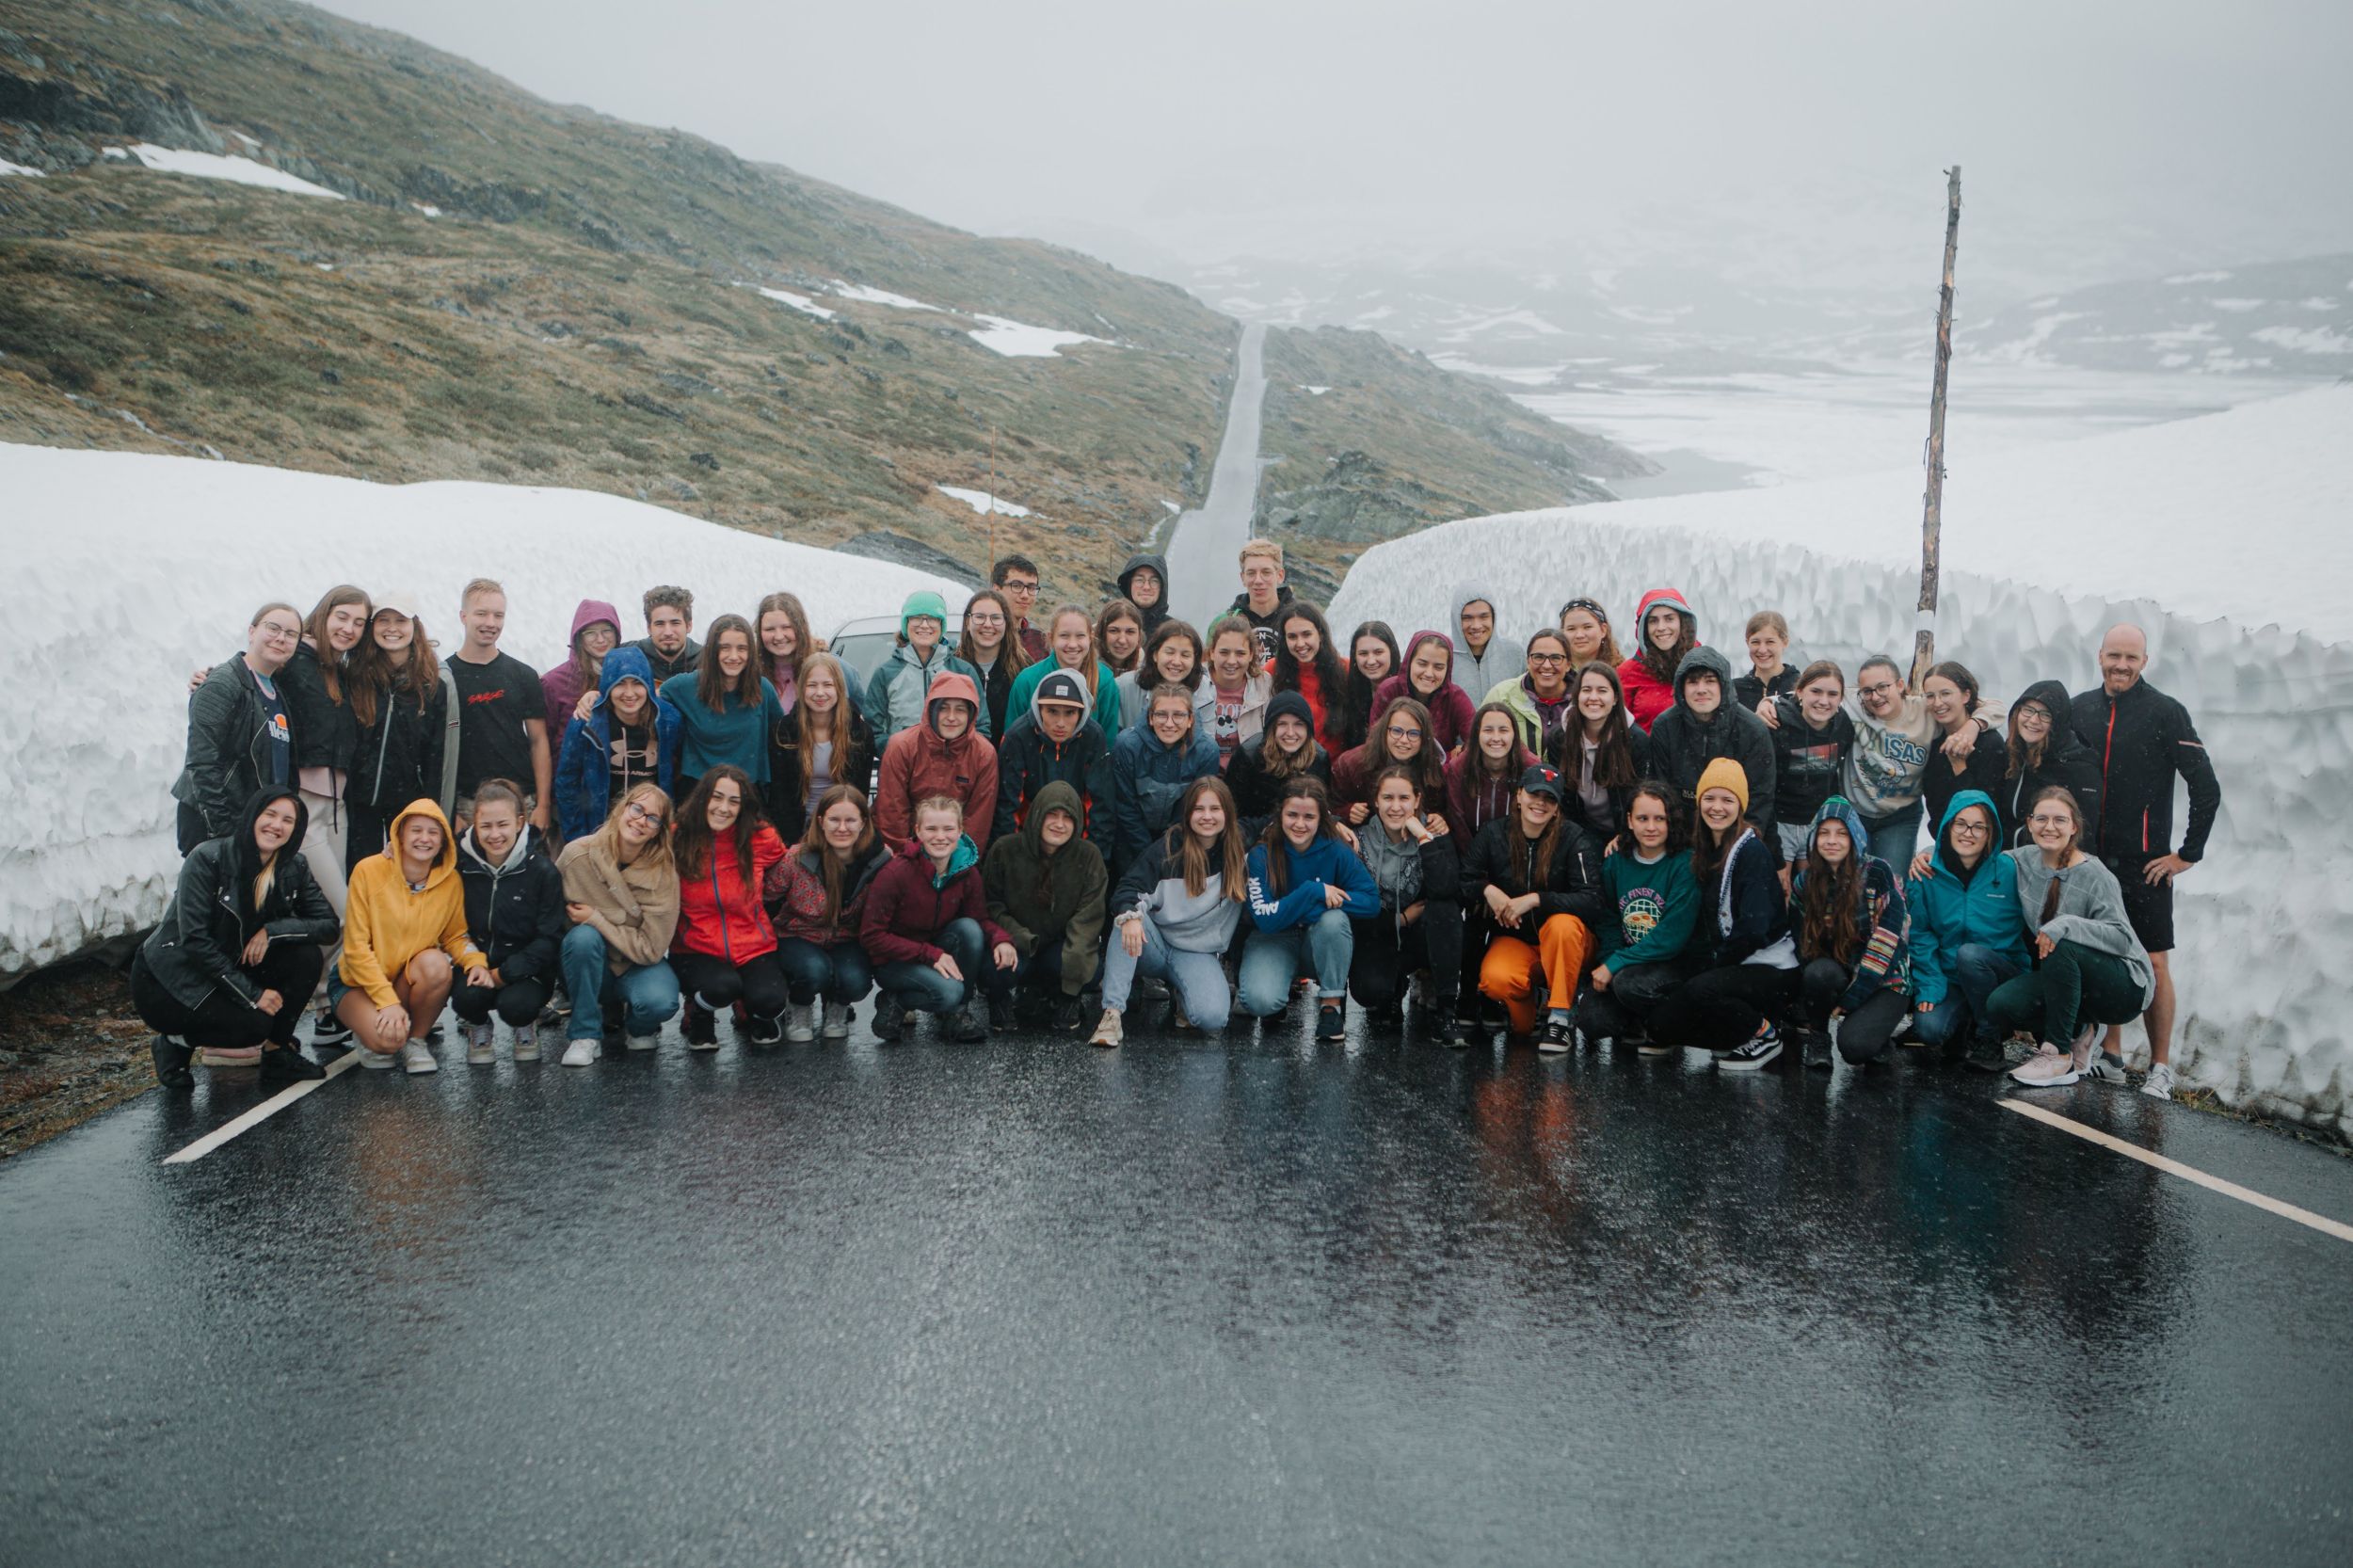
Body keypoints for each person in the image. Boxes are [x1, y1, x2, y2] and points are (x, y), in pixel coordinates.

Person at [2070, 625, 2217, 1100]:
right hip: (2092, 858)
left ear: (2145, 661)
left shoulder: (2165, 712)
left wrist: (2187, 854)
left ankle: (2160, 1067)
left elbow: (2205, 786)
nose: (2122, 665)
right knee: (2105, 953)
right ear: (2100, 656)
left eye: (2131, 657)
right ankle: (2111, 1055)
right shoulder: (2080, 709)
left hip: (2145, 861)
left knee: (2153, 960)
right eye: (2114, 655)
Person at [135, 787, 337, 1087]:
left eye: (287, 820)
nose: (276, 825)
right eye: (270, 815)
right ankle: (174, 1043)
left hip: (229, 964)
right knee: (253, 1027)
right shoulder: (208, 858)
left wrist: (271, 931)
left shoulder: (293, 866)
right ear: (252, 816)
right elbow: (196, 942)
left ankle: (277, 1053)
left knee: (305, 956)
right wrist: (253, 994)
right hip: (171, 979)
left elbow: (328, 925)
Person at [1994, 786, 2157, 1090]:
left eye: (2060, 820)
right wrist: (1927, 856)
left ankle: (2058, 1055)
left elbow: (2122, 939)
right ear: (2029, 823)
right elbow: (1977, 855)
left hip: (2124, 987)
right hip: (2075, 982)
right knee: (2002, 1004)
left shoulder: (2095, 874)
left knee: (2061, 944)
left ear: (2074, 827)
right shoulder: (2022, 860)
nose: (2050, 827)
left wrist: (2066, 925)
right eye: (2041, 819)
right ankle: (2081, 1030)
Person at [1646, 759, 1801, 1070]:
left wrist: (1714, 968)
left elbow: (1754, 929)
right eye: (1710, 798)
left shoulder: (1751, 851)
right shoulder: (1706, 848)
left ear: (1740, 806)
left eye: (1727, 800)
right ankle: (1734, 1035)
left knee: (1699, 990)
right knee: (1660, 1026)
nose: (1717, 807)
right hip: (1735, 964)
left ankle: (1764, 1034)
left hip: (1771, 968)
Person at [1090, 776, 1251, 1045]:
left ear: (1228, 813)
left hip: (1197, 953)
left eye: (1215, 809)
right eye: (1199, 809)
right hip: (1154, 944)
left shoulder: (1241, 845)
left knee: (1212, 1018)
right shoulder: (1168, 848)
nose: (1207, 816)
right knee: (1128, 918)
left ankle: (1182, 992)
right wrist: (1131, 915)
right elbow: (1128, 889)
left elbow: (1281, 821)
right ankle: (1112, 1014)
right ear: (1187, 814)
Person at [335, 797, 488, 1075]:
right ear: (400, 836)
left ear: (443, 841)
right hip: (357, 982)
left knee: (436, 965)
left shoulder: (451, 881)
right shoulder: (368, 870)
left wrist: (475, 961)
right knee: (386, 1042)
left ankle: (416, 1040)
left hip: (405, 977)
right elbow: (356, 948)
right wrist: (387, 1001)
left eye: (433, 832)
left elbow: (455, 936)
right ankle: (369, 1029)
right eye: (416, 830)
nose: (424, 839)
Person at [1462, 763, 1607, 1049]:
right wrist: (1488, 890)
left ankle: (1560, 1019)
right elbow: (1464, 879)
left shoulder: (1574, 838)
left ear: (1557, 807)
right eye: (1534, 794)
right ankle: (1529, 1014)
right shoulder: (1494, 833)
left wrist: (1537, 899)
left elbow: (1593, 899)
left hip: (1569, 944)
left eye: (1549, 798)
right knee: (1496, 980)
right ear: (1519, 795)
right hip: (1518, 940)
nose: (1540, 803)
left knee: (1562, 925)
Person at [281, 586, 371, 1043]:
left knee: (339, 910)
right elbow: (254, 672)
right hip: (306, 806)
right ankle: (321, 1002)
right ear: (323, 613)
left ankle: (327, 1008)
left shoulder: (341, 669)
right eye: (342, 617)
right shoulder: (296, 658)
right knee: (339, 910)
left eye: (358, 622)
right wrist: (209, 677)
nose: (349, 629)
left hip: (337, 805)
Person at [861, 795, 1018, 1041]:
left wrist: (1001, 939)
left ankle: (957, 1014)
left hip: (935, 952)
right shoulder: (895, 873)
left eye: (948, 829)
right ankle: (896, 1001)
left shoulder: (967, 871)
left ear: (960, 831)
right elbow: (872, 936)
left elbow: (979, 919)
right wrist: (929, 954)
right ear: (918, 831)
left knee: (969, 929)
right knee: (948, 992)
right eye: (931, 829)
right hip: (895, 961)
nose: (940, 836)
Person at [1240, 777, 1378, 1039]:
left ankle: (1331, 1006)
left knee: (1334, 920)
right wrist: (1313, 891)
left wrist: (1312, 908)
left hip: (1319, 939)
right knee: (1260, 1001)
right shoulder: (1261, 854)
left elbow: (1371, 901)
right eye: (1292, 815)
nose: (1300, 824)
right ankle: (1279, 990)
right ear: (1280, 814)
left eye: (1309, 817)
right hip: (1275, 937)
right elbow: (1265, 918)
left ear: (1321, 818)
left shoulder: (1335, 849)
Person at [556, 783, 682, 1064]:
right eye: (637, 809)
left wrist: (597, 919)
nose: (641, 820)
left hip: (635, 964)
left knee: (661, 1002)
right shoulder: (576, 855)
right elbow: (551, 919)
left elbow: (651, 949)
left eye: (653, 818)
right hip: (589, 965)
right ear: (621, 809)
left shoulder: (663, 876)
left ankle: (639, 1026)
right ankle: (584, 1035)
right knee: (582, 938)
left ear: (659, 831)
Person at [1906, 790, 2031, 1071]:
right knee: (1929, 1030)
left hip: (2000, 976)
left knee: (1970, 955)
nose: (1968, 833)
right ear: (1948, 826)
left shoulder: (2010, 871)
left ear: (1990, 833)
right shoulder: (1926, 874)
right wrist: (1930, 985)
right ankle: (1964, 1027)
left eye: (1978, 827)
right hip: (1952, 976)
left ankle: (1989, 1037)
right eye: (1960, 824)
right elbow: (1921, 936)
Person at [1786, 796, 1914, 1070]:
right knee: (1817, 973)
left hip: (1884, 977)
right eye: (1824, 833)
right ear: (1814, 839)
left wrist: (1854, 997)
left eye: (1841, 833)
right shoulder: (1805, 882)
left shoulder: (1878, 872)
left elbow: (1888, 943)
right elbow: (1801, 943)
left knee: (1855, 1048)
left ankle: (1877, 1035)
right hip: (1840, 970)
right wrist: (1815, 998)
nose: (1832, 841)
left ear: (1855, 837)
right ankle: (1819, 1038)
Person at [1572, 782, 1701, 1052]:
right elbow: (1609, 920)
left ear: (1671, 821)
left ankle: (1666, 1026)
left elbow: (1671, 937)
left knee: (1630, 985)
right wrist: (1610, 959)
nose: (1651, 827)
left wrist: (1616, 965)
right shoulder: (1616, 862)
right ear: (1629, 821)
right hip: (1628, 961)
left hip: (1672, 963)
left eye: (1659, 819)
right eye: (1643, 819)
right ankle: (1634, 1019)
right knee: (1591, 1021)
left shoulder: (1685, 864)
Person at [670, 766, 791, 1048]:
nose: (724, 808)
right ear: (703, 798)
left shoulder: (761, 838)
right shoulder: (677, 837)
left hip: (753, 946)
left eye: (734, 801)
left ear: (743, 806)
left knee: (770, 1000)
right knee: (723, 987)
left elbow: (789, 870)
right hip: (694, 948)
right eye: (717, 797)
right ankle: (701, 1011)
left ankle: (755, 1012)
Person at [1346, 766, 1466, 1043]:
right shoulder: (1358, 839)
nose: (1396, 807)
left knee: (1446, 910)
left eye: (1404, 798)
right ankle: (1391, 989)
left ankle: (1447, 1010)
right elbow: (1353, 905)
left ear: (1417, 800)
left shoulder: (1435, 833)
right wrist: (1399, 920)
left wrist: (1423, 837)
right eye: (1388, 798)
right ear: (1376, 801)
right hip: (1378, 930)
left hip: (1421, 934)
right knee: (1369, 991)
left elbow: (1447, 888)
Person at [451, 778, 566, 1064]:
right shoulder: (458, 864)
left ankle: (526, 1024)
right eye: (485, 826)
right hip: (476, 963)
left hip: (527, 970)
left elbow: (549, 938)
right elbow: (418, 858)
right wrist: (475, 964)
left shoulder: (542, 871)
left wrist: (505, 974)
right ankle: (478, 1024)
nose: (494, 834)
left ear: (519, 823)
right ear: (474, 825)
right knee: (466, 998)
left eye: (502, 824)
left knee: (516, 1006)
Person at [174, 602, 302, 854]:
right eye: (273, 628)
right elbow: (202, 763)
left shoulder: (274, 691)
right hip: (218, 826)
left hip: (252, 823)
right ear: (252, 632)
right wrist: (224, 831)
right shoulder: (223, 684)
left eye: (290, 634)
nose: (281, 638)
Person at [981, 780, 1108, 1031]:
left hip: (1057, 946)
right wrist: (1012, 937)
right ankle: (999, 999)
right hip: (1016, 942)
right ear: (1037, 814)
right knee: (995, 966)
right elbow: (991, 904)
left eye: (1068, 817)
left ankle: (1064, 998)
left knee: (1090, 970)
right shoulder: (1005, 849)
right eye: (1052, 814)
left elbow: (1089, 916)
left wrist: (1075, 970)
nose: (1059, 824)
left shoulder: (1089, 856)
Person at [763, 784, 887, 1042]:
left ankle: (837, 1005)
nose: (842, 828)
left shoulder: (879, 861)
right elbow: (764, 897)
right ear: (821, 822)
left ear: (863, 823)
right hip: (797, 935)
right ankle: (799, 1005)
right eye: (834, 820)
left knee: (856, 981)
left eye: (850, 820)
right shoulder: (797, 857)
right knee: (814, 971)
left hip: (847, 938)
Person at [347, 590, 456, 857]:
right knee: (359, 871)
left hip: (408, 804)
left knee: (403, 872)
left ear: (414, 626)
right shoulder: (356, 675)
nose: (392, 628)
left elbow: (437, 754)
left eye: (401, 620)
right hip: (358, 801)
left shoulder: (433, 683)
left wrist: (431, 810)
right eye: (383, 620)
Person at [1642, 647, 1777, 856]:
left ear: (1723, 684)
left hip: (1735, 838)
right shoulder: (1665, 726)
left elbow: (1760, 797)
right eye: (1693, 682)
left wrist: (1737, 848)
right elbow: (1661, 789)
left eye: (1709, 681)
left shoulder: (1752, 729)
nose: (1701, 689)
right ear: (1681, 687)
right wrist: (1679, 847)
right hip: (1681, 839)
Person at [444, 579, 552, 831]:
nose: (491, 623)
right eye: (481, 614)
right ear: (463, 616)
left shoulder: (523, 675)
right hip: (466, 804)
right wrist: (449, 810)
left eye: (498, 615)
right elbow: (437, 750)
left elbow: (538, 742)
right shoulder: (444, 677)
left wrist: (543, 805)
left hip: (521, 801)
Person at [556, 646, 681, 843]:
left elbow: (680, 773)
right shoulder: (587, 721)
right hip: (600, 827)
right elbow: (567, 781)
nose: (629, 693)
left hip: (650, 828)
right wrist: (577, 836)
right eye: (620, 684)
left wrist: (671, 828)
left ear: (648, 684)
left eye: (637, 683)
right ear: (607, 686)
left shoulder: (668, 720)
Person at [659, 613, 786, 799]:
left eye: (742, 648)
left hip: (747, 793)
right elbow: (651, 699)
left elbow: (782, 737)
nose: (734, 656)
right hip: (697, 793)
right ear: (712, 651)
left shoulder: (763, 689)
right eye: (725, 648)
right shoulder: (684, 686)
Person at [876, 670, 1000, 852]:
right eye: (943, 708)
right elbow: (892, 813)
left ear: (971, 714)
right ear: (931, 710)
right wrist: (907, 857)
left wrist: (958, 861)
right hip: (907, 852)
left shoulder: (984, 754)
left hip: (957, 852)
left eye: (960, 710)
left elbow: (978, 820)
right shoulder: (901, 746)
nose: (951, 717)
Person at [761, 651, 872, 844]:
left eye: (828, 685)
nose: (820, 693)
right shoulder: (782, 732)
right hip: (797, 833)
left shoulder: (859, 733)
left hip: (843, 830)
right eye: (812, 685)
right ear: (801, 688)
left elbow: (859, 794)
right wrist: (796, 845)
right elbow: (780, 800)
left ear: (839, 688)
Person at [1112, 682, 1223, 873]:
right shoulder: (1127, 745)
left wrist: (1166, 850)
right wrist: (1146, 853)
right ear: (1150, 718)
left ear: (1190, 720)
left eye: (1178, 715)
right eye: (1161, 715)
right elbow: (1125, 805)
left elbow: (1190, 808)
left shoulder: (1206, 751)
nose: (1169, 723)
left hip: (1180, 837)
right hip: (1131, 836)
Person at [993, 668, 1112, 845]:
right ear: (1039, 708)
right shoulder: (1017, 737)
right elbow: (1007, 807)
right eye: (1052, 711)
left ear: (1081, 712)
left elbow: (1100, 806)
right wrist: (1014, 854)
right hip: (1026, 839)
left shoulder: (1093, 737)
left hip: (1076, 841)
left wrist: (1091, 854)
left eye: (1070, 713)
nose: (1060, 723)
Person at [1764, 661, 1854, 873]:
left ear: (1841, 698)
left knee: (1813, 885)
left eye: (1832, 694)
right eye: (1816, 691)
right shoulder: (1776, 722)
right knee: (1781, 884)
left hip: (1818, 822)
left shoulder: (1843, 725)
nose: (1823, 701)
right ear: (1800, 691)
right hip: (1780, 821)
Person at [865, 589, 982, 747]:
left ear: (941, 625)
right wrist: (896, 754)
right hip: (902, 763)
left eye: (932, 618)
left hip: (952, 763)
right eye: (916, 618)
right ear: (906, 623)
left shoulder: (963, 671)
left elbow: (980, 726)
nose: (924, 625)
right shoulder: (885, 674)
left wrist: (956, 756)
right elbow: (872, 730)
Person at [1555, 662, 1652, 845]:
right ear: (1576, 696)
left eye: (1602, 691)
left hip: (1626, 830)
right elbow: (1563, 797)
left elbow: (1642, 794)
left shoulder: (1635, 739)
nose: (1593, 697)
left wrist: (1625, 834)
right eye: (1586, 690)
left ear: (1615, 698)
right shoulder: (1560, 738)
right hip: (1580, 830)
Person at [1998, 680, 2101, 851]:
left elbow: (2083, 835)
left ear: (2057, 722)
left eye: (2045, 715)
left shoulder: (2079, 767)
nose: (2033, 720)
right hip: (2007, 861)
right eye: (2028, 710)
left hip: (2048, 861)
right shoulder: (2014, 753)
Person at [1225, 690, 1329, 839]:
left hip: (1302, 833)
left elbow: (1322, 808)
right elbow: (1231, 812)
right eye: (1282, 724)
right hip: (1254, 834)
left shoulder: (1319, 758)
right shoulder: (1248, 756)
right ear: (1271, 728)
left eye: (1298, 724)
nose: (1290, 733)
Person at [1329, 696, 1448, 825]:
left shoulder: (1431, 766)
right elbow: (1329, 808)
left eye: (1414, 734)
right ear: (1384, 731)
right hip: (1363, 834)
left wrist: (1439, 818)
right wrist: (1347, 813)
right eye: (1396, 731)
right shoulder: (1351, 764)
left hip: (1412, 834)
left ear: (1424, 738)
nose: (1404, 740)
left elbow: (1440, 808)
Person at [1007, 603, 1122, 736]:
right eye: (1064, 636)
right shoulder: (1027, 680)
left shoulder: (1105, 680)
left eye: (1080, 636)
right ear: (1051, 638)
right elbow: (1012, 737)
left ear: (1090, 638)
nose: (1072, 644)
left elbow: (1107, 739)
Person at [1920, 661, 2009, 833]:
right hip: (1945, 838)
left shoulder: (1989, 743)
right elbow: (1935, 805)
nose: (1937, 703)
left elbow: (1985, 808)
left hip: (1982, 840)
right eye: (1930, 696)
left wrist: (1959, 766)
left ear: (1966, 696)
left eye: (1946, 693)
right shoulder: (1934, 741)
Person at [1371, 630, 1475, 757]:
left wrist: (1454, 761)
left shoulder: (1455, 697)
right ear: (1409, 662)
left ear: (1448, 669)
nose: (1429, 673)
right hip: (1393, 765)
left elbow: (1476, 741)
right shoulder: (1389, 690)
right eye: (1422, 664)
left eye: (1438, 667)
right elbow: (1375, 742)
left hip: (1439, 766)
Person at [1270, 600, 1350, 753]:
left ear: (1320, 634)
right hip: (1286, 762)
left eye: (1307, 634)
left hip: (1334, 764)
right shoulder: (1273, 669)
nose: (1300, 644)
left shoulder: (1345, 669)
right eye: (1292, 637)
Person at [1486, 628, 1579, 755]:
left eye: (1556, 658)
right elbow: (1477, 743)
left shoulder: (1584, 698)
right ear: (1528, 662)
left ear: (1568, 664)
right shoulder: (1502, 696)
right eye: (1538, 657)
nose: (1547, 665)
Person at [1615, 586, 1697, 731]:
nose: (1661, 627)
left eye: (1669, 619)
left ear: (1683, 622)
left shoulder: (1702, 664)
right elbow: (1617, 728)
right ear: (1643, 628)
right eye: (1653, 621)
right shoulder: (1627, 673)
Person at [956, 587, 1029, 740]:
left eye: (996, 618)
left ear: (1006, 622)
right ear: (967, 622)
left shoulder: (1025, 669)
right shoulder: (951, 666)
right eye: (980, 617)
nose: (988, 624)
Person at [1198, 616, 1272, 762]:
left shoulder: (1264, 684)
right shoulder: (1195, 683)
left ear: (1251, 655)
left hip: (1248, 771)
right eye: (1224, 652)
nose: (1232, 661)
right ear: (1212, 653)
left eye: (1240, 653)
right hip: (1202, 770)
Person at [541, 599, 622, 726]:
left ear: (617, 633)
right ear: (578, 637)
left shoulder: (628, 676)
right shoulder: (553, 683)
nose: (600, 640)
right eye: (590, 633)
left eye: (607, 630)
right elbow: (544, 735)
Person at [1114, 618, 1205, 730]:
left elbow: (1203, 738)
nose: (1176, 662)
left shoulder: (1205, 690)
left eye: (1185, 655)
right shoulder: (1124, 687)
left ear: (1195, 660)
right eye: (1169, 652)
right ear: (1155, 655)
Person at [1447, 581, 1524, 707]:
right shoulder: (1444, 656)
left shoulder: (1515, 654)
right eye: (1467, 618)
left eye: (1484, 617)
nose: (1476, 625)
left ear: (1493, 617)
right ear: (1456, 619)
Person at [1334, 621, 1401, 754]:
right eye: (1363, 654)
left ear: (1392, 652)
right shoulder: (1350, 691)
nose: (1371, 661)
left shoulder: (1407, 688)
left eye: (1378, 652)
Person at [1228, 539, 1296, 665]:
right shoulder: (1227, 623)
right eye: (1251, 573)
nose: (1258, 580)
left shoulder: (1300, 619)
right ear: (1243, 578)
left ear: (1280, 575)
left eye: (1266, 572)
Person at [753, 591, 815, 715]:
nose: (779, 636)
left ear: (801, 628)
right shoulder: (750, 676)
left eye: (786, 627)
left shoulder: (826, 669)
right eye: (770, 629)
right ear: (759, 632)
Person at [629, 585, 700, 681]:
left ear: (689, 626)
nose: (668, 632)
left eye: (675, 623)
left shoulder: (707, 660)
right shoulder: (630, 656)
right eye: (660, 624)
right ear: (649, 628)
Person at [1734, 611, 1797, 712]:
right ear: (1747, 643)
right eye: (1755, 642)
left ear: (1785, 642)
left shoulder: (1799, 687)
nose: (1762, 650)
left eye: (1770, 642)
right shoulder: (1735, 690)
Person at [992, 555, 1048, 662]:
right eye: (1017, 586)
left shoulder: (1039, 642)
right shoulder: (984, 636)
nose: (1025, 595)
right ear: (997, 590)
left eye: (1031, 588)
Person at [1557, 597, 1623, 672]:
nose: (1579, 635)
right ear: (1562, 633)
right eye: (1571, 629)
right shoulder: (1554, 673)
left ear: (1603, 630)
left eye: (1587, 627)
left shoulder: (1622, 673)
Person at [1116, 552, 1173, 634]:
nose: (1146, 587)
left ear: (1162, 587)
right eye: (1139, 580)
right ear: (1129, 585)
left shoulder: (1173, 632)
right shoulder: (1111, 625)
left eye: (1154, 581)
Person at [1095, 598, 1146, 679]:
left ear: (1139, 636)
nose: (1122, 640)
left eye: (1130, 632)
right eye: (1114, 631)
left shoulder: (1146, 673)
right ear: (1101, 632)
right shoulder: (1083, 668)